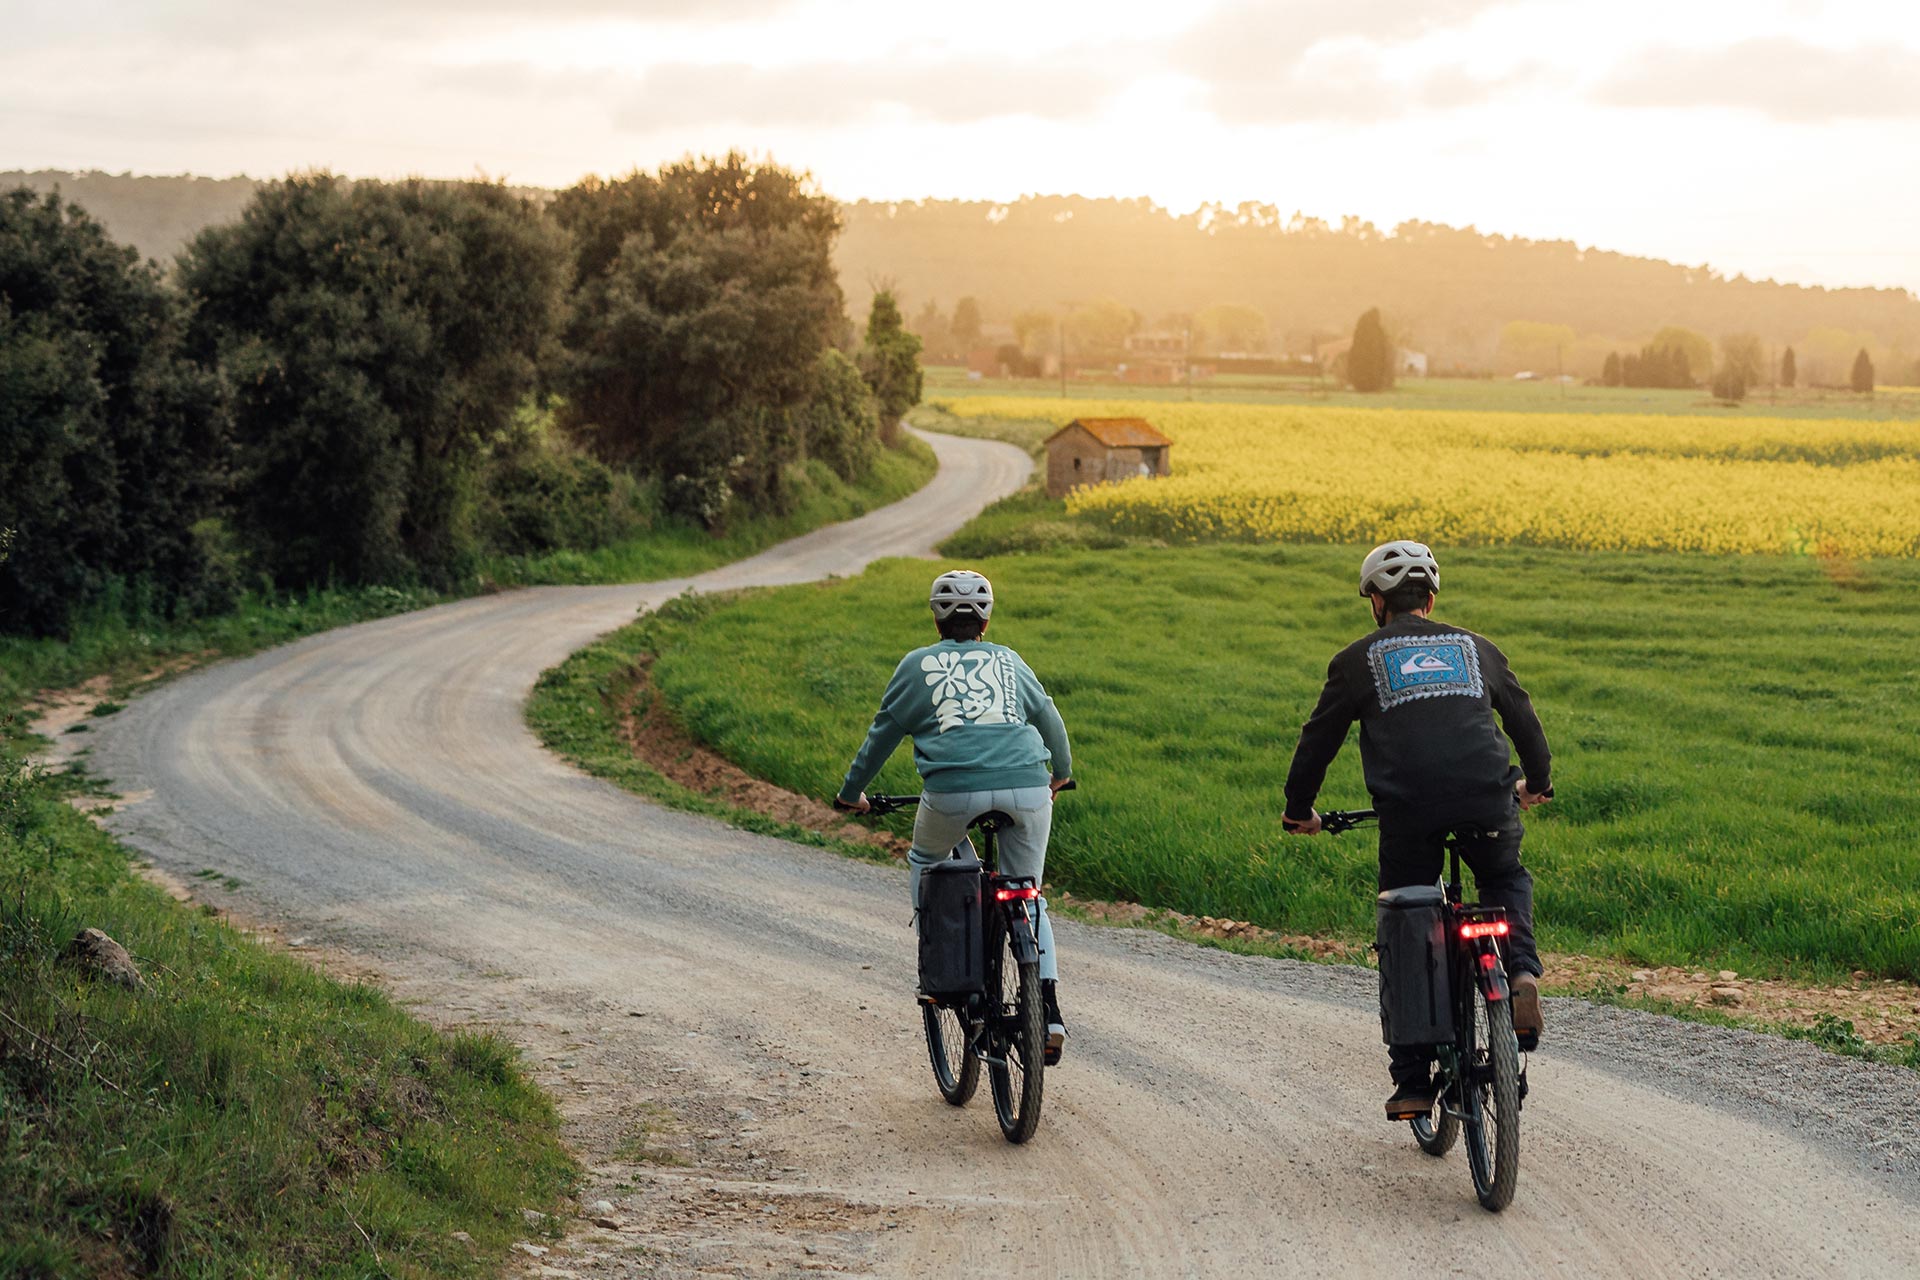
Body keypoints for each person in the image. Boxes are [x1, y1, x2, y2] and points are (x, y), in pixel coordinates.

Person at [1280, 540, 1552, 1120]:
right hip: (1488, 800)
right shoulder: (1477, 648)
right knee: (1505, 876)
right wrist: (1536, 782)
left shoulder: (1357, 660)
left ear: (1377, 603)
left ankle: (1412, 1080)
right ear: (1430, 598)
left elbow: (1317, 740)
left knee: (1407, 919)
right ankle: (1522, 971)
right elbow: (1524, 720)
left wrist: (1299, 808)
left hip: (1410, 814)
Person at [836, 569, 1074, 1062]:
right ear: (986, 619)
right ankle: (1047, 1010)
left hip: (951, 794)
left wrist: (851, 794)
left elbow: (881, 736)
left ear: (937, 618)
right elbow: (1048, 717)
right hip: (1029, 785)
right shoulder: (1008, 659)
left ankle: (940, 963)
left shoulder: (916, 665)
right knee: (1028, 893)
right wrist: (1062, 775)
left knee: (927, 860)